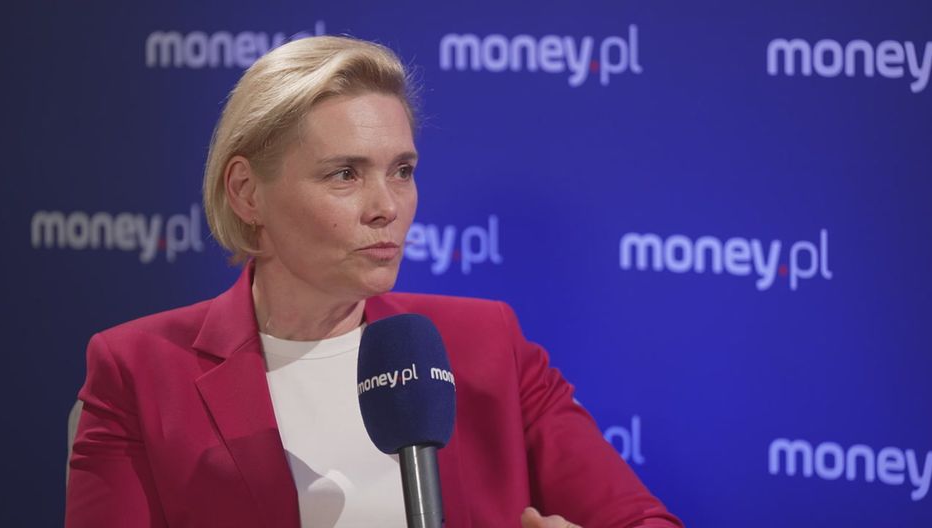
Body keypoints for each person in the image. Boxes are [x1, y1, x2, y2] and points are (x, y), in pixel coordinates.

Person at [66, 35, 684, 528]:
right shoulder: (137, 371)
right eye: (344, 174)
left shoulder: (486, 343)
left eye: (402, 170)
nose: (387, 206)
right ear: (247, 192)